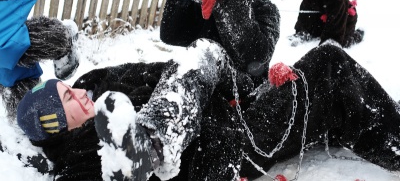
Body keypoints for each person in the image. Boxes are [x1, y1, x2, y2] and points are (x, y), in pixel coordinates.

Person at [16, 39, 400, 181]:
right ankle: (157, 137)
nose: (80, 95)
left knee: (205, 56)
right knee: (328, 63)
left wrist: (261, 83)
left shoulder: (102, 92)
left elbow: (168, 72)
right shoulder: (88, 158)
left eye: (72, 89)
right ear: (58, 127)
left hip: (234, 110)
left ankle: (158, 133)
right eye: (69, 101)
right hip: (233, 147)